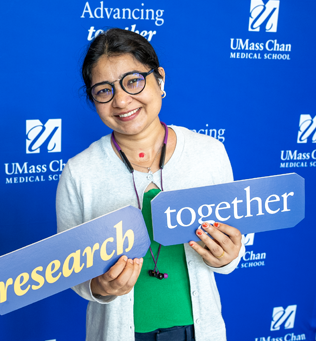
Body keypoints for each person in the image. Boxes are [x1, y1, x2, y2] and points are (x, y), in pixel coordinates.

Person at [55, 28, 245, 341]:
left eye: (133, 81)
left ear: (159, 79)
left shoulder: (209, 153)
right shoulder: (80, 172)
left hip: (198, 331)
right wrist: (100, 287)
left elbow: (233, 247)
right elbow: (71, 269)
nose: (121, 100)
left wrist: (227, 256)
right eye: (104, 90)